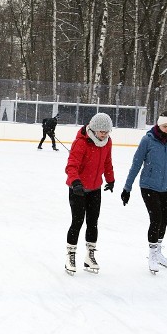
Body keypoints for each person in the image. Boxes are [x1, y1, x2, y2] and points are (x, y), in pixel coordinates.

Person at [121, 110, 167, 274]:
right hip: (149, 186)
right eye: (165, 126)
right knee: (156, 218)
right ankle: (152, 253)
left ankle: (158, 251)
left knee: (164, 220)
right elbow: (136, 164)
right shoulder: (147, 140)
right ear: (159, 124)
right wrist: (127, 188)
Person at [64, 112, 115, 275]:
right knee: (77, 222)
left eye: (107, 132)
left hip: (95, 189)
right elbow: (71, 166)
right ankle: (70, 256)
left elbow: (107, 162)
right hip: (77, 189)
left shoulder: (107, 142)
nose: (104, 134)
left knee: (93, 223)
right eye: (101, 131)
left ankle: (89, 256)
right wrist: (75, 182)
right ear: (93, 129)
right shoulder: (81, 143)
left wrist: (110, 179)